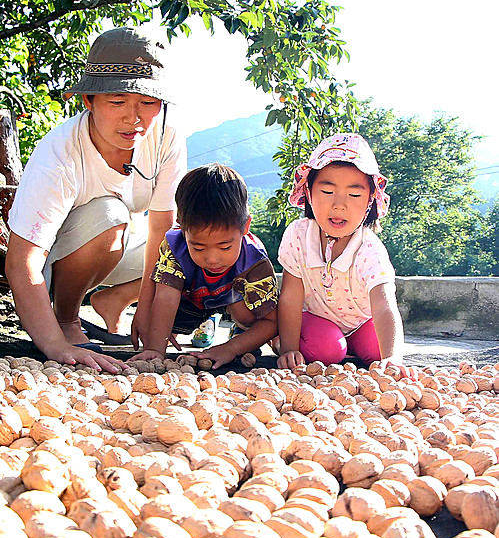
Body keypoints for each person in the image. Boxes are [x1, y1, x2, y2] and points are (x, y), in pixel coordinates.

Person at [5, 27, 186, 372]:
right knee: (110, 215)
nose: (133, 118)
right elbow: (22, 261)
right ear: (88, 101)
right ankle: (68, 318)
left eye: (148, 103)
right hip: (56, 258)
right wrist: (56, 347)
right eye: (117, 101)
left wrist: (147, 313)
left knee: (192, 246)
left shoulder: (166, 137)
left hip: (116, 248)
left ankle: (113, 299)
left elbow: (162, 227)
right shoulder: (60, 154)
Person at [276, 133, 414, 377]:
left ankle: (348, 345)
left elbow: (383, 304)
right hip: (315, 318)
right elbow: (290, 297)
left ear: (371, 200)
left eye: (354, 195)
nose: (339, 205)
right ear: (308, 193)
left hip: (359, 322)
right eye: (327, 192)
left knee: (378, 348)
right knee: (328, 351)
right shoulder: (297, 236)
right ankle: (280, 339)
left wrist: (393, 358)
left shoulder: (369, 249)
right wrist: (288, 349)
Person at [131, 163, 278, 368]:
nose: (212, 259)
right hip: (191, 300)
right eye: (198, 248)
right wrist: (155, 349)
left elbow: (272, 321)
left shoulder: (254, 261)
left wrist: (230, 348)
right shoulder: (175, 247)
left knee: (247, 314)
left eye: (225, 247)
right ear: (182, 229)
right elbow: (164, 297)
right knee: (160, 321)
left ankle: (241, 332)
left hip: (235, 300)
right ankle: (200, 324)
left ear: (245, 227)